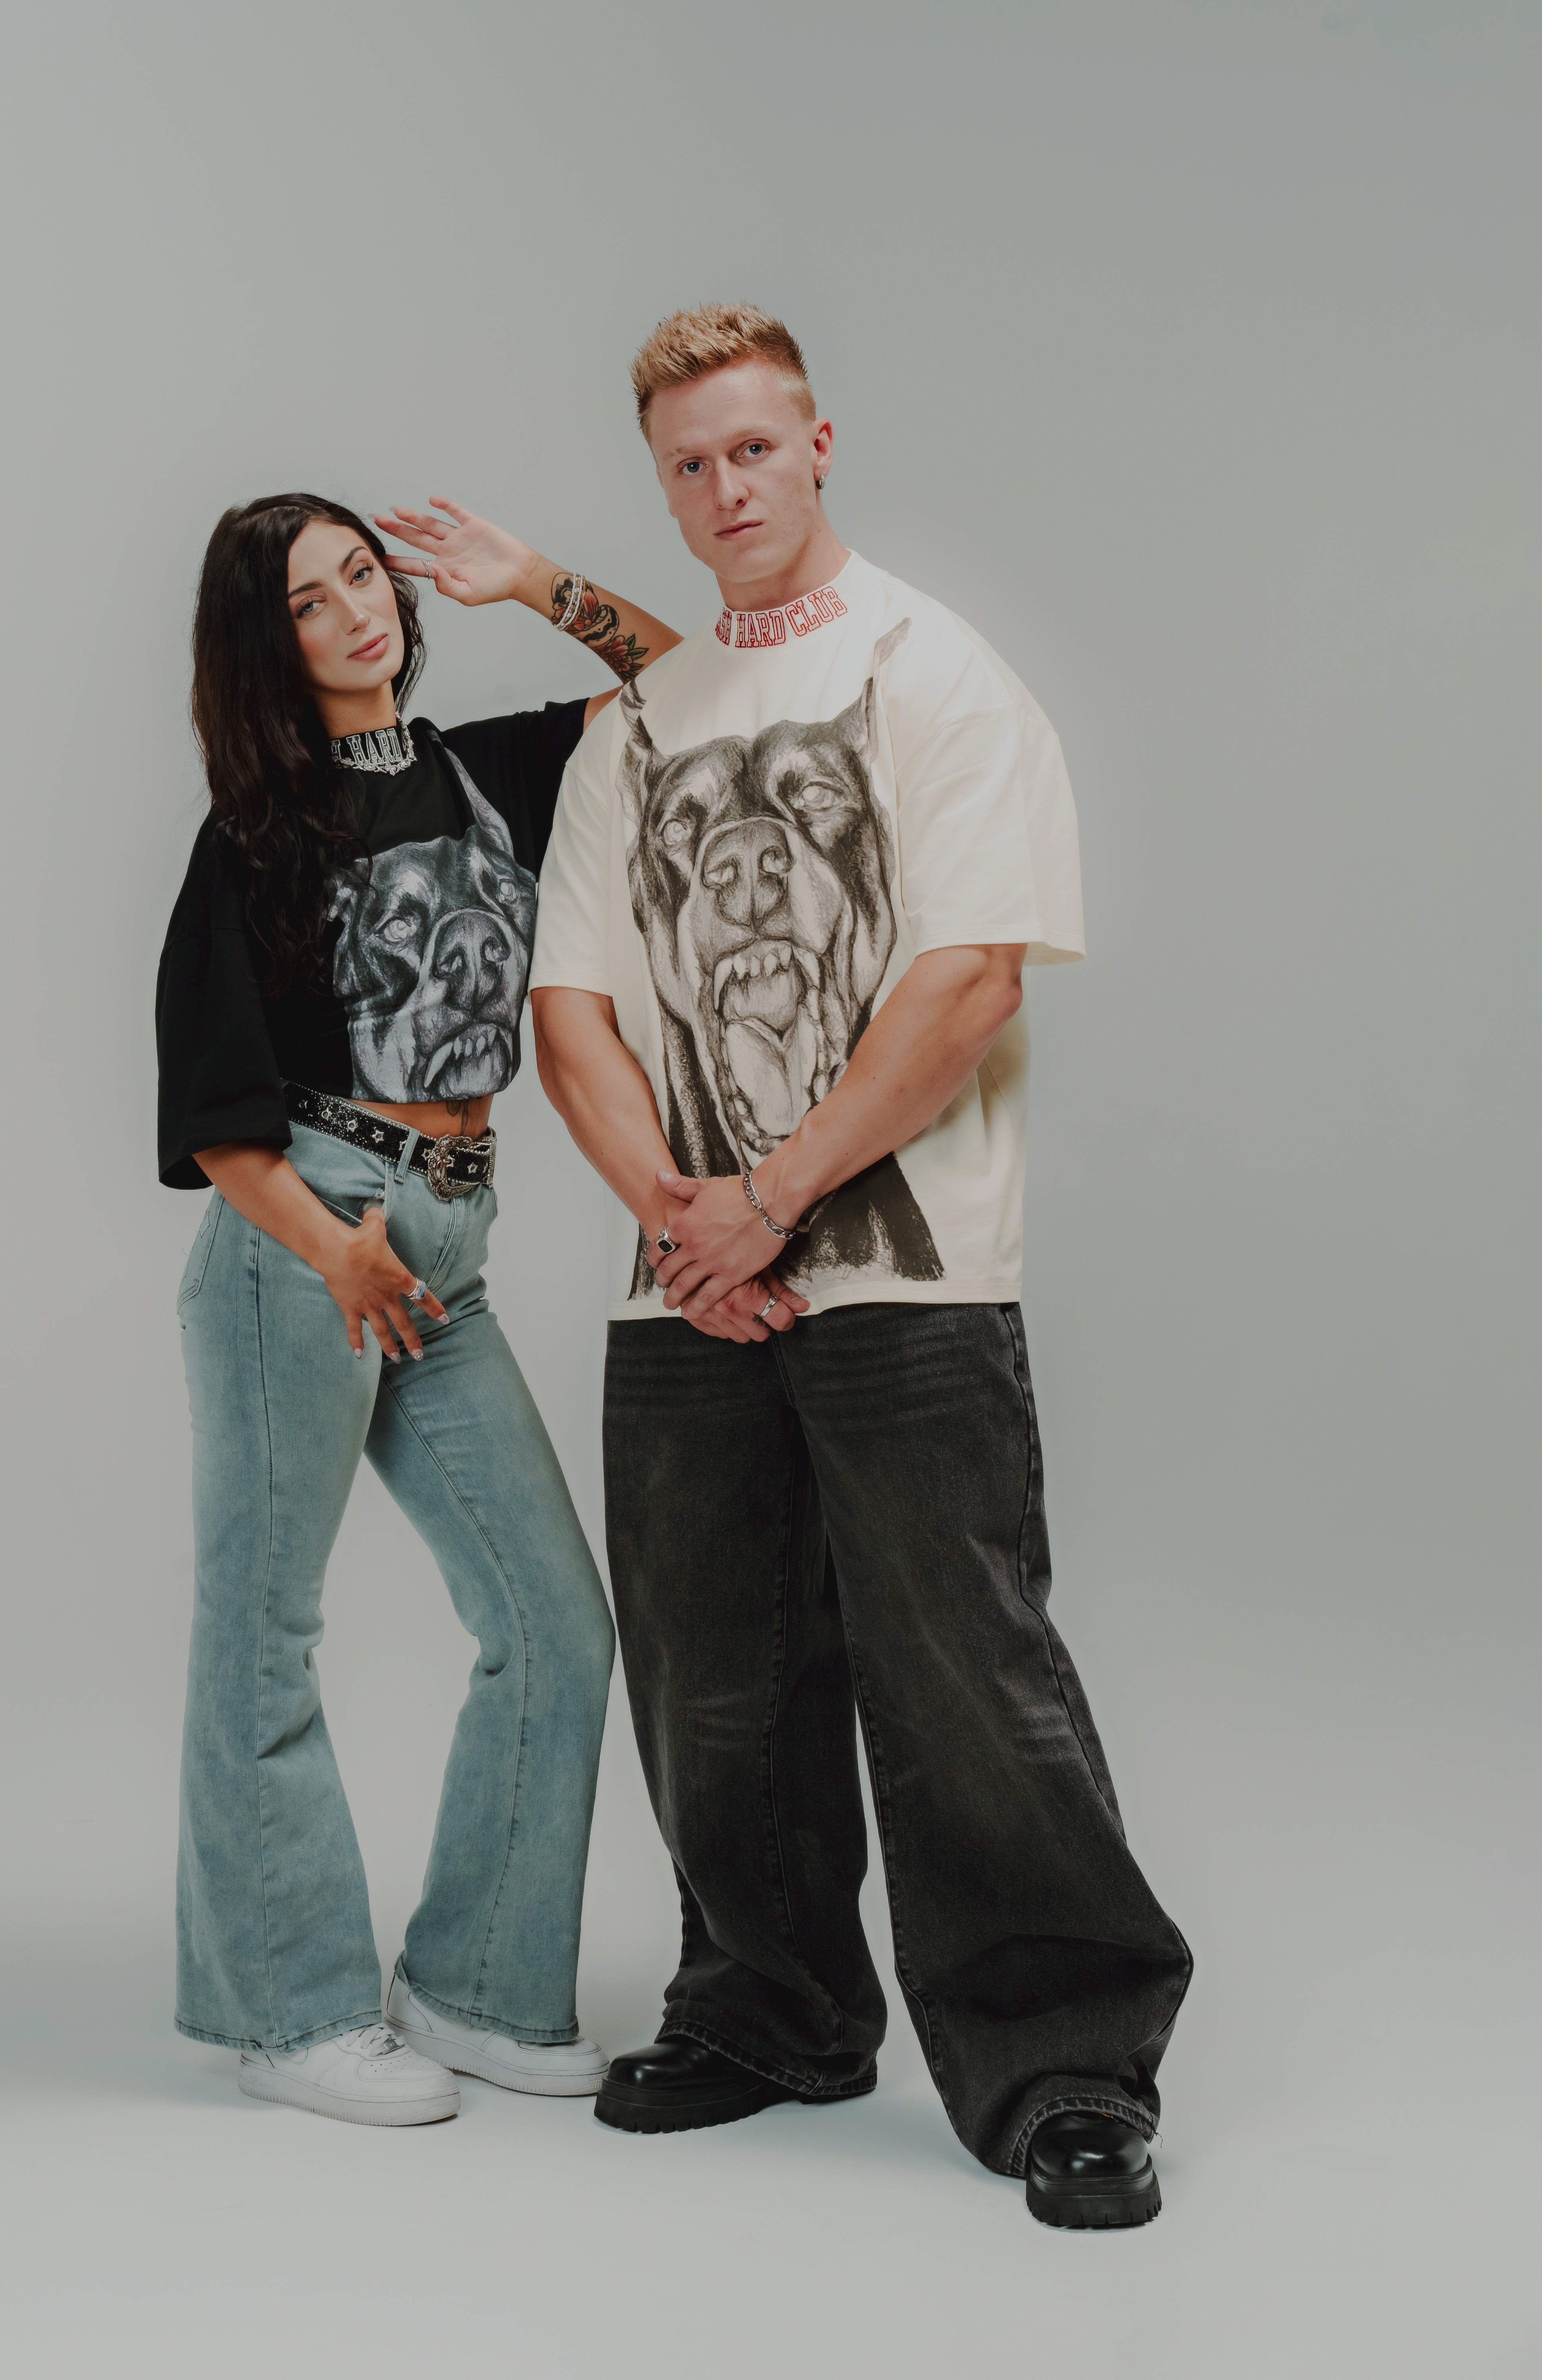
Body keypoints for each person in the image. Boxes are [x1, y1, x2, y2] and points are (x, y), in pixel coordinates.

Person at [529, 306, 1192, 2227]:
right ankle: (770, 2010)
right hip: (678, 1277)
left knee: (957, 1669)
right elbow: (573, 1004)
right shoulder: (635, 724)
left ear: (818, 445)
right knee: (706, 1672)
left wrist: (769, 1195)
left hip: (903, 1273)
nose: (720, 489)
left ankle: (1065, 2066)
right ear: (660, 481)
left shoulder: (932, 671)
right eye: (684, 464)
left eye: (750, 449)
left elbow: (964, 973)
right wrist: (680, 1209)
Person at [156, 494, 688, 2126]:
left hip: (446, 1241)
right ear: (272, 647)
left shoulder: (490, 773)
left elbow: (690, 691)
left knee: (551, 1623)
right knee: (266, 1632)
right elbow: (215, 1116)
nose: (355, 612)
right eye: (310, 603)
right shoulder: (257, 827)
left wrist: (532, 581)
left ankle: (474, 1987)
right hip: (300, 1239)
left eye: (360, 576)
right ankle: (289, 2014)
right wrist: (331, 1250)